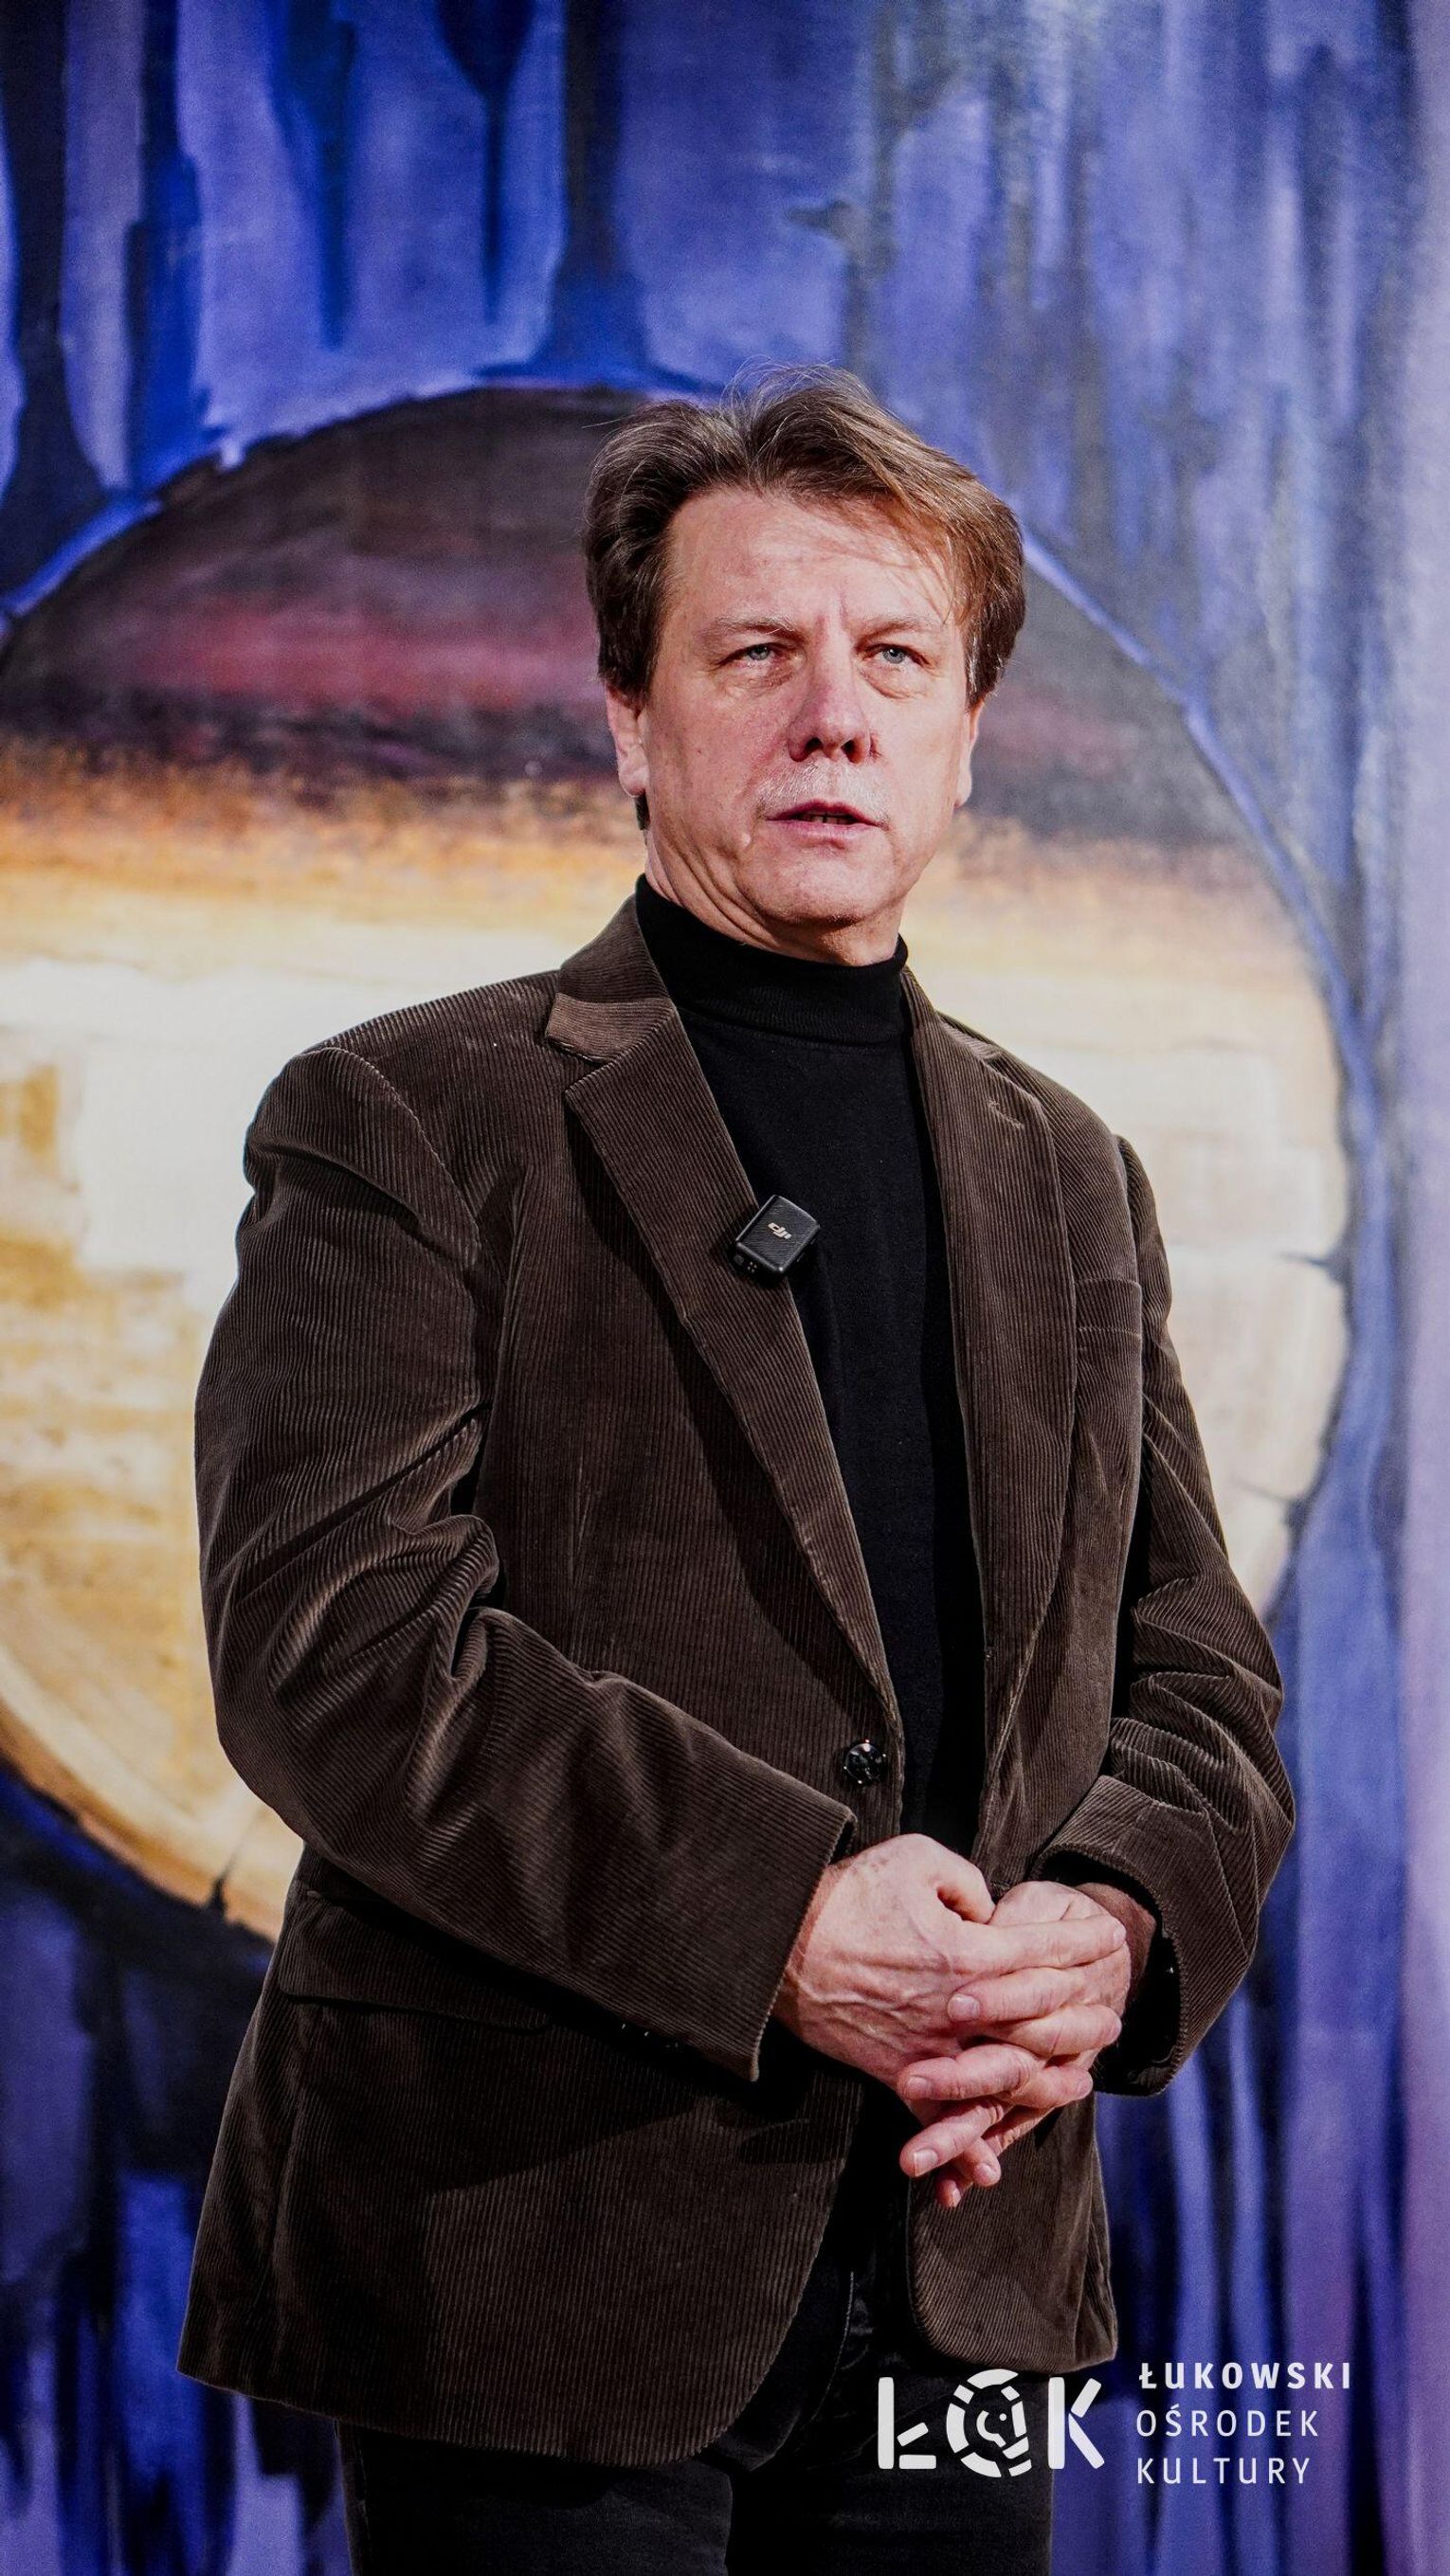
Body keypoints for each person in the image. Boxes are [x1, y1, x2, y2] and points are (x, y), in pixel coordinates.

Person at [175, 366, 1295, 2572]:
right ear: (628, 712)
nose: (834, 718)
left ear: (969, 737)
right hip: (536, 2261)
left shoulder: (1075, 1172)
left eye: (896, 659)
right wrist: (779, 1917)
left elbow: (1201, 1681)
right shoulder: (407, 1116)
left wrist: (1112, 1926)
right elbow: (339, 1650)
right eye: (756, 653)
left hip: (972, 2260)